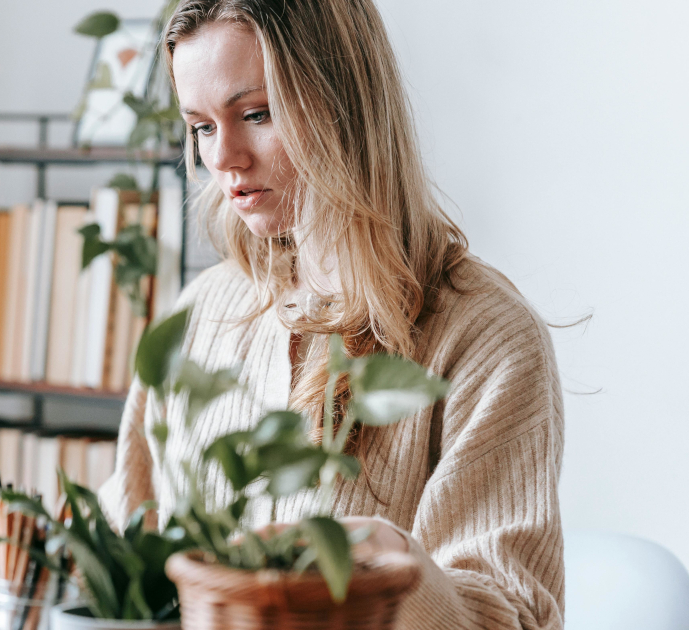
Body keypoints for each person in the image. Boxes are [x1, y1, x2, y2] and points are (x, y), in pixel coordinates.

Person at [97, 1, 564, 629]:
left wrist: (393, 559)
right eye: (202, 127)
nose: (225, 157)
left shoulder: (486, 341)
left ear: (342, 103)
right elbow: (119, 551)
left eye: (255, 114)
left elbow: (510, 619)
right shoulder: (203, 312)